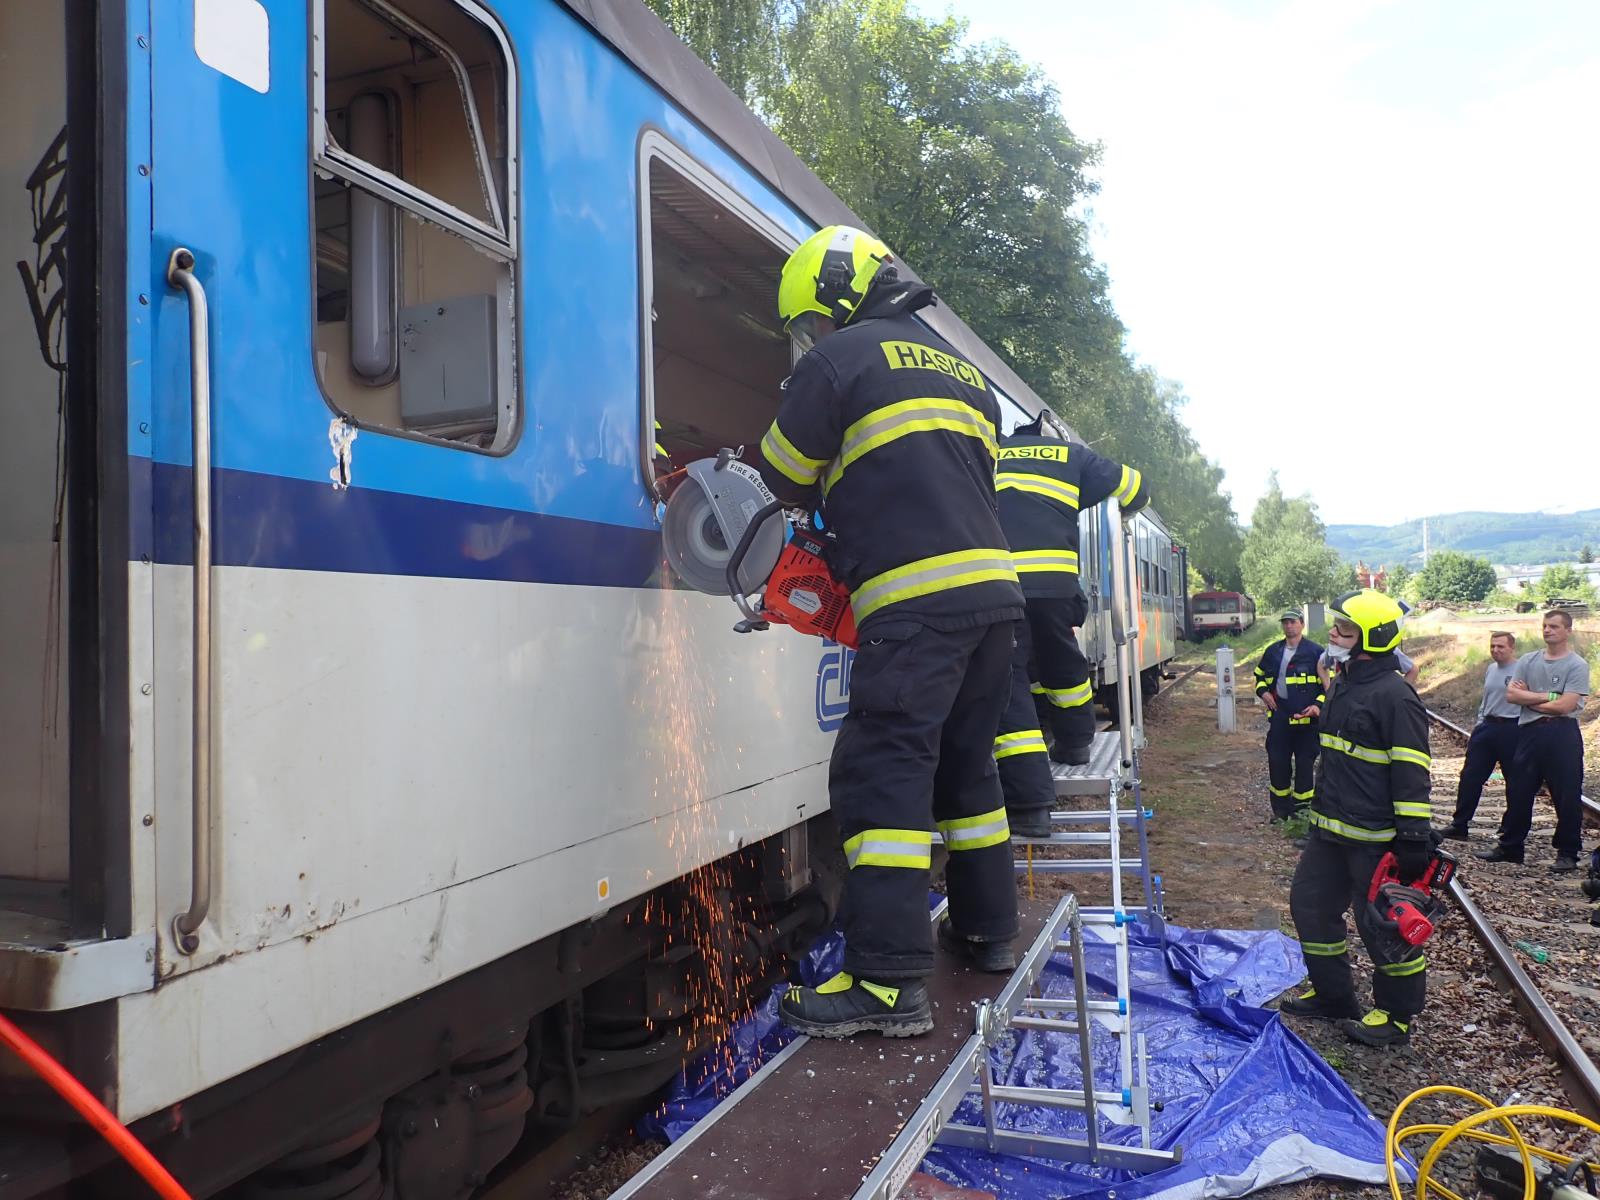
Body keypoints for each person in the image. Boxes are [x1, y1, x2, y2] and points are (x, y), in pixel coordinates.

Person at [756, 225, 1025, 1039]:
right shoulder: (967, 375)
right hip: (995, 602)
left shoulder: (839, 361)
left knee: (882, 778)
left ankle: (885, 984)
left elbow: (778, 476)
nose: (812, 335)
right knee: (968, 770)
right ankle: (987, 933)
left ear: (835, 296)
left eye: (812, 320)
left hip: (915, 606)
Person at [1281, 590, 1435, 1047]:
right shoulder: (1345, 682)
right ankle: (1334, 996)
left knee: (1383, 926)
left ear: (1373, 637)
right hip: (1330, 830)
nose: (1333, 634)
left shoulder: (1395, 696)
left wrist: (1413, 835)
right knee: (1310, 905)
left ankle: (1396, 1017)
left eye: (1345, 629)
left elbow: (1411, 770)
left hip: (1374, 838)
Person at [990, 413, 1149, 837]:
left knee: (1009, 681)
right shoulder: (1070, 456)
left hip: (1000, 583)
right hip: (1056, 587)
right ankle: (1077, 743)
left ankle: (1030, 805)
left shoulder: (991, 452)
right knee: (1062, 660)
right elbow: (1136, 487)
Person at [1475, 610, 1591, 871]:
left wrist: (1531, 699)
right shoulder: (1528, 660)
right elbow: (1512, 695)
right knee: (1519, 790)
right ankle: (1510, 847)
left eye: (1554, 626)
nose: (1547, 630)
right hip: (1529, 733)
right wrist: (1550, 696)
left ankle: (1567, 853)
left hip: (1562, 734)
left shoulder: (1577, 665)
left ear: (1568, 631)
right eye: (1545, 625)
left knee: (1566, 794)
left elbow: (1566, 706)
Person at [1436, 631, 1521, 841]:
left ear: (1512, 648)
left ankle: (1509, 828)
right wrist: (1480, 722)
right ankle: (1459, 825)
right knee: (1470, 777)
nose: (1495, 650)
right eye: (1492, 646)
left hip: (1512, 727)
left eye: (1501, 646)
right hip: (1488, 726)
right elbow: (1487, 698)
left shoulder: (1522, 670)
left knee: (1515, 781)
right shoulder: (1491, 669)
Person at [1253, 611, 1325, 820]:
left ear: (1302, 624)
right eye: (1285, 623)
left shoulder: (1316, 652)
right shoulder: (1273, 651)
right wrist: (1263, 692)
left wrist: (1317, 707)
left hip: (1307, 722)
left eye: (1293, 622)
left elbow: (1328, 685)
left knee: (1304, 767)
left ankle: (1301, 814)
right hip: (1280, 718)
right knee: (1278, 764)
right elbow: (1259, 676)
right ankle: (1281, 813)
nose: (1289, 626)